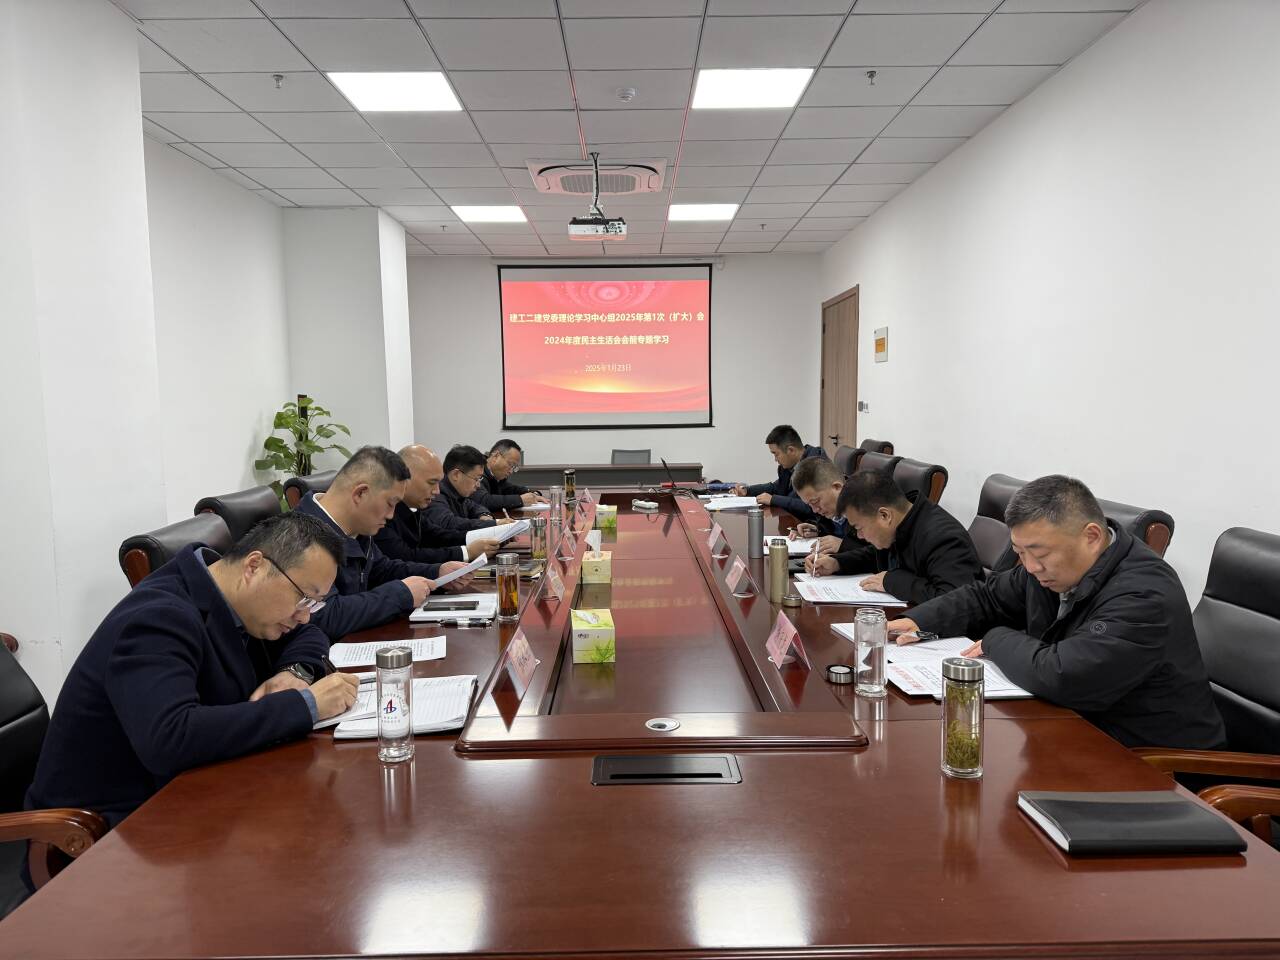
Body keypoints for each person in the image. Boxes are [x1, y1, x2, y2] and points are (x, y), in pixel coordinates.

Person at [24, 513, 360, 831]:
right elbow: (170, 738)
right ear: (254, 566)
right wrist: (305, 705)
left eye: (314, 604)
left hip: (191, 793)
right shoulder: (157, 618)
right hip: (107, 829)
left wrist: (295, 671)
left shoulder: (240, 602)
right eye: (303, 598)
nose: (304, 615)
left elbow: (310, 633)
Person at [888, 475, 1226, 749]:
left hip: (1153, 763)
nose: (1030, 567)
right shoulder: (1050, 570)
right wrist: (917, 620)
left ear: (1092, 537)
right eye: (1019, 552)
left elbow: (1064, 675)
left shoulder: (1144, 595)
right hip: (1076, 732)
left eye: (1039, 554)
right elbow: (987, 596)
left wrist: (995, 639)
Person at [294, 445, 472, 638]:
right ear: (360, 493)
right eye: (390, 503)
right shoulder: (301, 537)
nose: (391, 515)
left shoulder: (358, 527)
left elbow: (381, 569)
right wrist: (401, 594)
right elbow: (324, 615)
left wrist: (437, 573)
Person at [802, 468, 983, 604]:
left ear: (884, 515)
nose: (860, 536)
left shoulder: (943, 537)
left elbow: (955, 601)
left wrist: (892, 581)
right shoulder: (900, 523)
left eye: (859, 528)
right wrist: (838, 563)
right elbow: (875, 555)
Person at [375, 445, 500, 564]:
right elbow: (405, 557)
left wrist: (486, 537)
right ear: (405, 478)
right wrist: (466, 552)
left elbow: (438, 535)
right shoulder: (382, 513)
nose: (437, 491)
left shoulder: (412, 508)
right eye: (431, 483)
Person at [733, 424, 828, 519]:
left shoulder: (817, 467)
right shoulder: (790, 466)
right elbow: (777, 488)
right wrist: (748, 490)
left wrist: (774, 500)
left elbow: (811, 507)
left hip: (811, 524)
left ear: (790, 450)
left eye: (776, 454)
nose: (775, 459)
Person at [422, 444, 506, 540]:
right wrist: (493, 524)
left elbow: (474, 506)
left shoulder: (457, 492)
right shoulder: (435, 495)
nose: (478, 485)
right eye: (476, 479)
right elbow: (448, 523)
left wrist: (484, 515)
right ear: (456, 475)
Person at [473, 439, 545, 512]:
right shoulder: (476, 470)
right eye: (510, 465)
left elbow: (509, 489)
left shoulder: (496, 476)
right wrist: (520, 500)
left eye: (514, 467)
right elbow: (483, 500)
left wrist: (532, 493)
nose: (511, 472)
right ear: (496, 456)